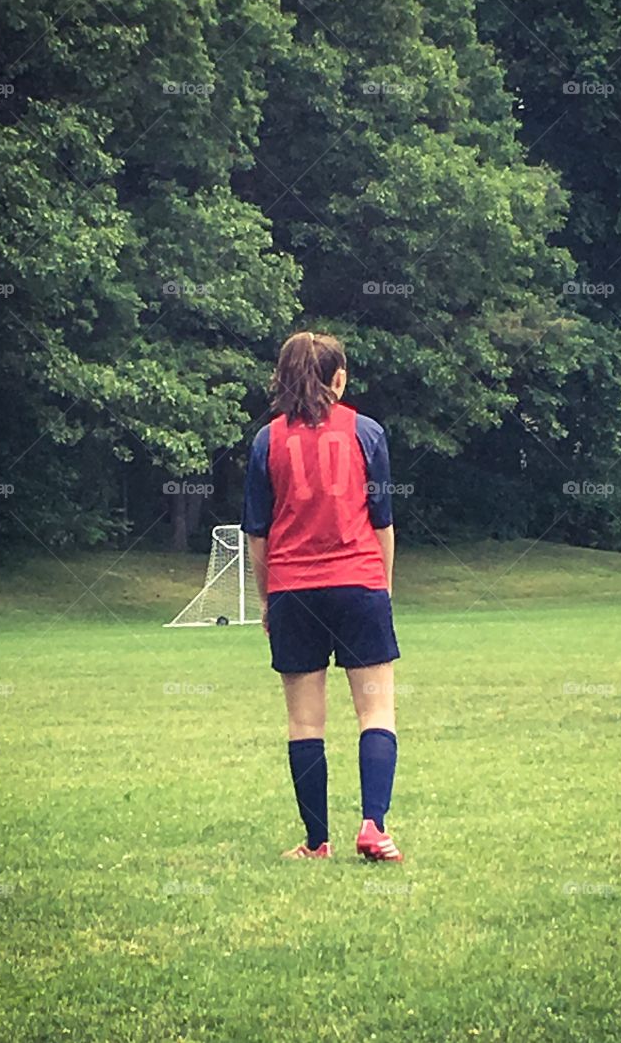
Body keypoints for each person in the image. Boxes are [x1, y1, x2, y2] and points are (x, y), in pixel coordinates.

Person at [241, 330, 403, 861]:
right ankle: (373, 826)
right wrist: (383, 587)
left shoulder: (267, 441)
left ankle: (316, 843)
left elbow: (257, 535)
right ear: (339, 378)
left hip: (293, 590)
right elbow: (382, 523)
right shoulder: (368, 432)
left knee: (305, 722)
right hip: (360, 584)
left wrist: (267, 601)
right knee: (376, 713)